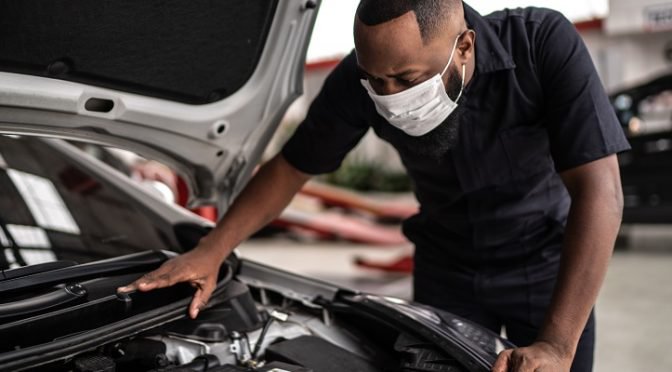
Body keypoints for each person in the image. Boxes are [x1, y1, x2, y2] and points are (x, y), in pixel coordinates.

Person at [118, 1, 630, 371]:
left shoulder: (542, 45)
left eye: (406, 80)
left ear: (464, 48)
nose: (388, 97)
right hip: (446, 270)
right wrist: (211, 251)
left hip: (545, 269)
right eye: (376, 81)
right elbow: (291, 168)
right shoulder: (360, 78)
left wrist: (558, 345)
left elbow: (599, 189)